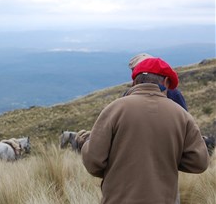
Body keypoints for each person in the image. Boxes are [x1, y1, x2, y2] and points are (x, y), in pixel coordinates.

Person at [81, 57, 209, 204]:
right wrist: (168, 158)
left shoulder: (114, 109)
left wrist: (86, 143)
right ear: (166, 82)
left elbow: (93, 162)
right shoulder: (182, 116)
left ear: (134, 82)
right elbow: (200, 162)